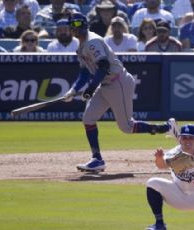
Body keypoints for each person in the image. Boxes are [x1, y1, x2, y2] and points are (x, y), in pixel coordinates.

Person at [63, 13, 179, 172]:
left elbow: (103, 67)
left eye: (78, 24)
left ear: (85, 25)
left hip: (118, 82)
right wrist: (73, 90)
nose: (76, 28)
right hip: (105, 84)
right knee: (88, 118)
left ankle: (166, 127)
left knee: (127, 127)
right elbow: (84, 72)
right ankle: (97, 159)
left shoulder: (92, 42)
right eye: (73, 25)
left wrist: (89, 90)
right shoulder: (81, 45)